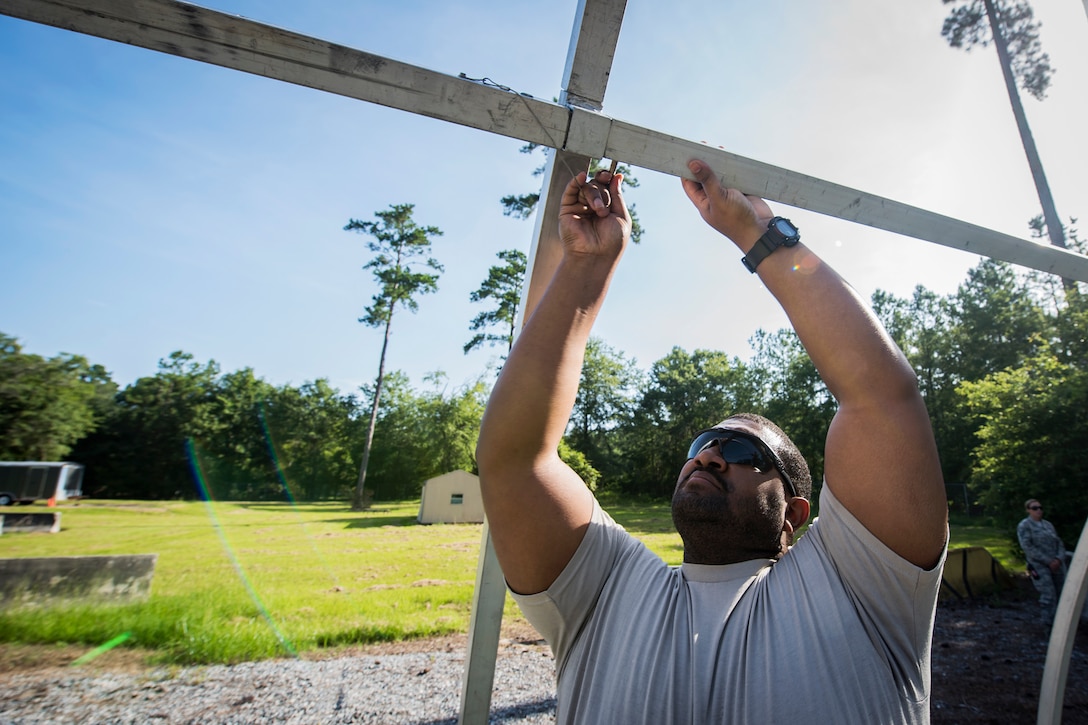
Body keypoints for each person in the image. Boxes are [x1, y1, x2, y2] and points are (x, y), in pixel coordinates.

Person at [476, 160, 948, 723]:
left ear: (793, 514)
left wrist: (758, 234)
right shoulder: (603, 587)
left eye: (744, 452)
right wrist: (585, 267)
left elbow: (880, 396)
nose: (711, 453)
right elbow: (513, 460)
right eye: (705, 441)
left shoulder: (865, 587)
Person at [1017, 499, 1067, 625]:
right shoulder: (1025, 525)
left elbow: (1058, 542)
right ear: (1028, 510)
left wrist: (1058, 559)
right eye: (1034, 508)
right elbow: (1027, 547)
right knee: (1048, 597)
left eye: (1040, 507)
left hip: (1057, 565)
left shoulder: (1048, 525)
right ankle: (1049, 629)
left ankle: (1062, 626)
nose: (1038, 510)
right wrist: (1048, 561)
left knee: (1062, 595)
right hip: (1039, 566)